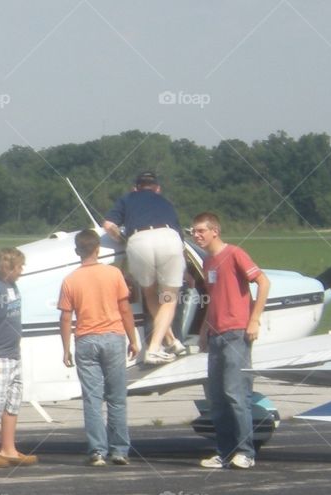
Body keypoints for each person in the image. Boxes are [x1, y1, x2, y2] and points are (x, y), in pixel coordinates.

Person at [191, 212, 270, 470]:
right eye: (194, 231)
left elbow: (263, 282)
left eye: (201, 231)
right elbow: (213, 299)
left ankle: (246, 451)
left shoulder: (234, 253)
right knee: (218, 396)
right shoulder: (207, 262)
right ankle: (224, 451)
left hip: (236, 332)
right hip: (215, 335)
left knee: (236, 394)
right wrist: (204, 330)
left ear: (215, 231)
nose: (197, 235)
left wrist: (254, 319)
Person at [58, 229, 140, 466]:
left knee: (92, 398)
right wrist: (133, 339)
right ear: (98, 249)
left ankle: (97, 451)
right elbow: (124, 309)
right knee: (116, 397)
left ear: (77, 251)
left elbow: (65, 317)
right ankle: (119, 450)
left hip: (85, 339)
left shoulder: (70, 280)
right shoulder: (113, 274)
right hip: (113, 337)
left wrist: (65, 349)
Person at [102, 171, 185, 365]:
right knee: (169, 298)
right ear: (157, 188)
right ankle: (155, 348)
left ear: (135, 188)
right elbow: (179, 237)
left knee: (149, 294)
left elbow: (108, 225)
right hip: (168, 238)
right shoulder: (165, 201)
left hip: (139, 241)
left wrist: (123, 240)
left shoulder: (127, 198)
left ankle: (172, 341)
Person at [0, 247, 37, 468]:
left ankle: (8, 449)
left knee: (12, 401)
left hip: (13, 354)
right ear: (7, 267)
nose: (22, 270)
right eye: (19, 266)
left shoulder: (12, 286)